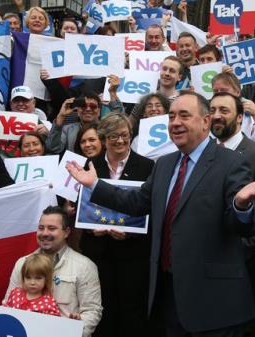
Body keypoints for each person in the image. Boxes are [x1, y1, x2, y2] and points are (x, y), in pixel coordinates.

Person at [66, 91, 255, 336]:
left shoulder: (231, 163)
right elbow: (137, 202)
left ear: (206, 121)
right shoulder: (165, 164)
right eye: (172, 116)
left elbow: (244, 228)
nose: (175, 122)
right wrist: (94, 185)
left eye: (184, 116)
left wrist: (241, 206)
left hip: (212, 302)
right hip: (166, 295)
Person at [210, 92, 255, 337]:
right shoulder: (202, 153)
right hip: (206, 258)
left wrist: (243, 247)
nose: (217, 116)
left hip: (242, 261)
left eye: (224, 111)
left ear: (240, 118)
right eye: (213, 110)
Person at [80, 113, 154, 337]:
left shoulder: (147, 166)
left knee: (131, 310)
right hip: (98, 251)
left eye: (125, 135)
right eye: (114, 136)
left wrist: (131, 234)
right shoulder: (90, 164)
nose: (120, 141)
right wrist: (90, 228)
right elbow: (81, 204)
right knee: (102, 308)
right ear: (104, 138)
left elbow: (151, 209)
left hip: (132, 254)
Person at [4, 206, 102, 337]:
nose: (44, 233)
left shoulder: (85, 266)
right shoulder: (22, 263)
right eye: (41, 228)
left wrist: (73, 332)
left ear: (66, 232)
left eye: (51, 228)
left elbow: (92, 311)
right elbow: (7, 305)